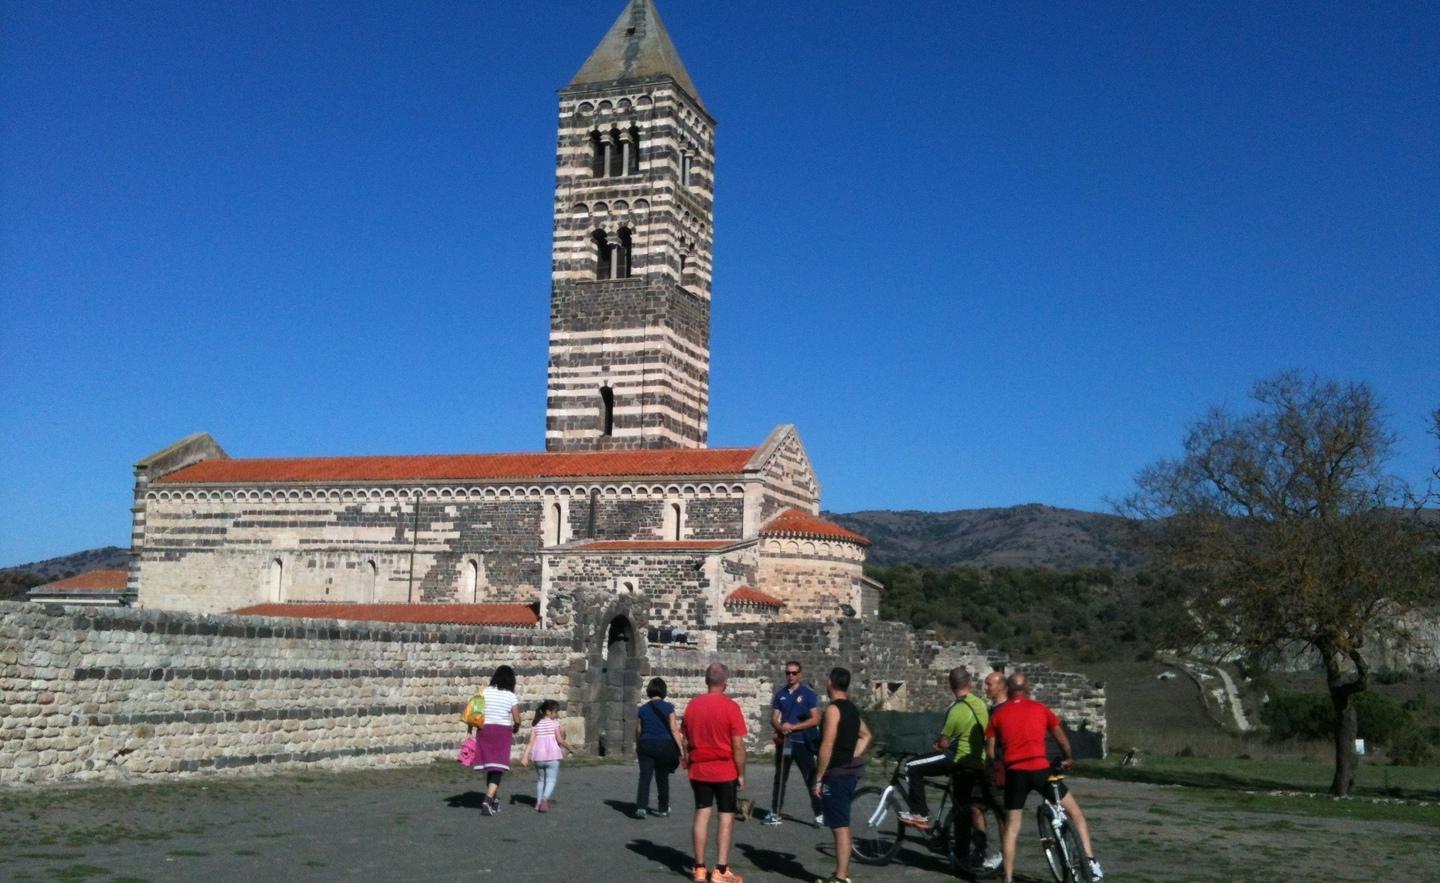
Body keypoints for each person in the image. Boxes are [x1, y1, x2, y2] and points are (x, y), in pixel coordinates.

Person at [985, 672, 1103, 882]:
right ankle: (1090, 861)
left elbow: (991, 751)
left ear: (1008, 689)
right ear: (1027, 688)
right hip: (1040, 769)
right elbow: (1062, 740)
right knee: (1075, 812)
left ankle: (1008, 878)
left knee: (1012, 828)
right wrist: (1067, 758)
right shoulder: (1041, 709)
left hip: (1015, 773)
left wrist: (1000, 763)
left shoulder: (997, 715)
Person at [897, 668, 1002, 873]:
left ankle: (920, 813)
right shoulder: (981, 704)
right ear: (969, 683)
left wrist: (938, 745)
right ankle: (964, 859)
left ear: (951, 685)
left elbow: (944, 743)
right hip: (978, 762)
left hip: (958, 758)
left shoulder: (955, 709)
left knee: (912, 766)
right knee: (962, 810)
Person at [681, 662, 747, 883]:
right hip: (724, 769)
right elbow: (738, 745)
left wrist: (688, 761)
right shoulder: (731, 707)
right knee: (726, 817)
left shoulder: (693, 706)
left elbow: (685, 739)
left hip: (700, 768)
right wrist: (741, 772)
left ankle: (700, 867)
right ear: (725, 683)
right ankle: (720, 869)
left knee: (702, 814)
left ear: (706, 681)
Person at [810, 666, 871, 883]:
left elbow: (827, 745)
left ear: (830, 682)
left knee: (839, 825)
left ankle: (841, 877)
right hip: (848, 771)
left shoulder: (833, 710)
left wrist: (818, 777)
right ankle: (841, 874)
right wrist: (852, 756)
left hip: (837, 774)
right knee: (840, 822)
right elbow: (866, 735)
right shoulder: (852, 709)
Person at [762, 660, 823, 826]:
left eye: (794, 673)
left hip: (802, 742)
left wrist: (793, 727)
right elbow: (774, 718)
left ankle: (820, 814)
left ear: (799, 674)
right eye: (788, 673)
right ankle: (775, 812)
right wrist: (780, 727)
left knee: (810, 778)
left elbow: (815, 719)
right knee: (780, 778)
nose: (791, 676)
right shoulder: (780, 694)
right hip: (786, 742)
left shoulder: (808, 694)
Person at [634, 676, 686, 818]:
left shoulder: (643, 709)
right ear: (663, 691)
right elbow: (674, 729)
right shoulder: (668, 707)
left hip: (646, 744)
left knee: (645, 777)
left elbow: (638, 730)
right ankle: (663, 808)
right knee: (662, 778)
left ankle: (641, 807)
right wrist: (680, 748)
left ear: (649, 691)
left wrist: (638, 744)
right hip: (664, 745)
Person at [474, 664, 522, 816]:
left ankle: (494, 801)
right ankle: (487, 800)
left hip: (484, 730)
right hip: (502, 732)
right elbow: (517, 718)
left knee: (491, 766)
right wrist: (516, 727)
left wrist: (470, 731)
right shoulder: (510, 696)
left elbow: (476, 712)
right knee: (499, 767)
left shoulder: (484, 692)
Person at [520, 699, 572, 812]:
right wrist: (570, 748)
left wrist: (525, 756)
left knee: (541, 780)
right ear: (548, 712)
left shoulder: (536, 724)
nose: (556, 714)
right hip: (553, 756)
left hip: (538, 757)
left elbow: (531, 742)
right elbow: (560, 740)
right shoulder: (555, 723)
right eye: (555, 712)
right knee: (551, 780)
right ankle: (545, 799)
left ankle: (538, 804)